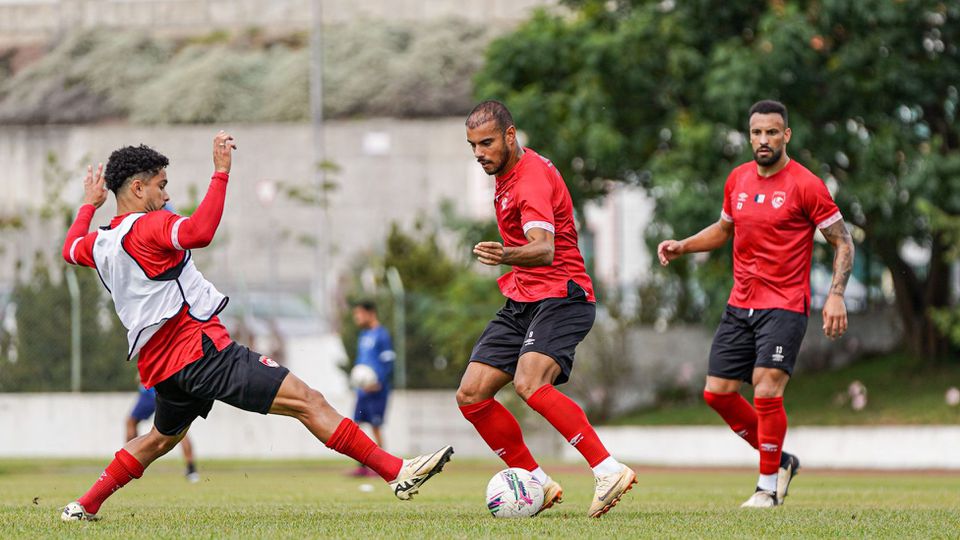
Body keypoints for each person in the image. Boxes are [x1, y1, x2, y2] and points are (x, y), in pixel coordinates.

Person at [60, 131, 453, 522]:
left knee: (160, 438)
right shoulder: (150, 226)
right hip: (200, 352)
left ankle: (85, 505)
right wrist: (220, 173)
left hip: (163, 367)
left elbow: (69, 248)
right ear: (138, 186)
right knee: (308, 400)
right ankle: (396, 472)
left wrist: (89, 206)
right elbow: (200, 232)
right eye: (161, 187)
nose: (165, 196)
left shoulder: (101, 242)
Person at [657, 100, 855, 508]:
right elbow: (725, 228)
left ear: (787, 135)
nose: (763, 140)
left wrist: (835, 294)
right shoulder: (738, 179)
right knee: (718, 394)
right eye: (757, 133)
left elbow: (843, 240)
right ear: (749, 136)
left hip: (784, 305)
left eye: (772, 132)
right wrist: (684, 246)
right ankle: (781, 461)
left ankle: (767, 488)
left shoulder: (806, 184)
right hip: (740, 303)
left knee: (766, 388)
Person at [456, 100, 636, 518]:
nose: (480, 153)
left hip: (563, 296)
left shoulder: (530, 178)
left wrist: (505, 254)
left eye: (486, 143)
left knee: (530, 383)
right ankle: (533, 480)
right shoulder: (503, 174)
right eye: (472, 146)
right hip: (524, 299)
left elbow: (543, 248)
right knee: (471, 395)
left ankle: (608, 469)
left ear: (510, 135)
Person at [347, 300, 395, 477]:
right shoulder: (363, 336)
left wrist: (378, 381)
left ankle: (383, 466)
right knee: (355, 427)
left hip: (377, 390)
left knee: (376, 426)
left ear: (370, 313)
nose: (357, 318)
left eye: (358, 314)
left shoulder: (382, 335)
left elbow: (388, 361)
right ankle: (361, 466)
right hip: (362, 391)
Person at [126, 384, 200, 483]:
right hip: (167, 388)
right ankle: (191, 469)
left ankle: (129, 465)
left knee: (131, 422)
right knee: (179, 428)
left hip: (153, 388)